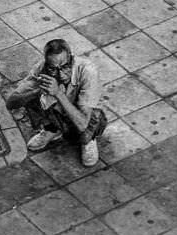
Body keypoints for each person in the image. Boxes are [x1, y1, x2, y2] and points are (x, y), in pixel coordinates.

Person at [6, 39, 107, 167]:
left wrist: (58, 93)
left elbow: (82, 124)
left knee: (88, 126)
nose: (61, 74)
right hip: (59, 108)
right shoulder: (41, 69)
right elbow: (11, 103)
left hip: (84, 114)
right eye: (53, 69)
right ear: (47, 65)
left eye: (65, 67)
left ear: (71, 59)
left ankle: (88, 141)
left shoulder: (88, 71)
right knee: (31, 98)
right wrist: (37, 91)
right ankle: (51, 130)